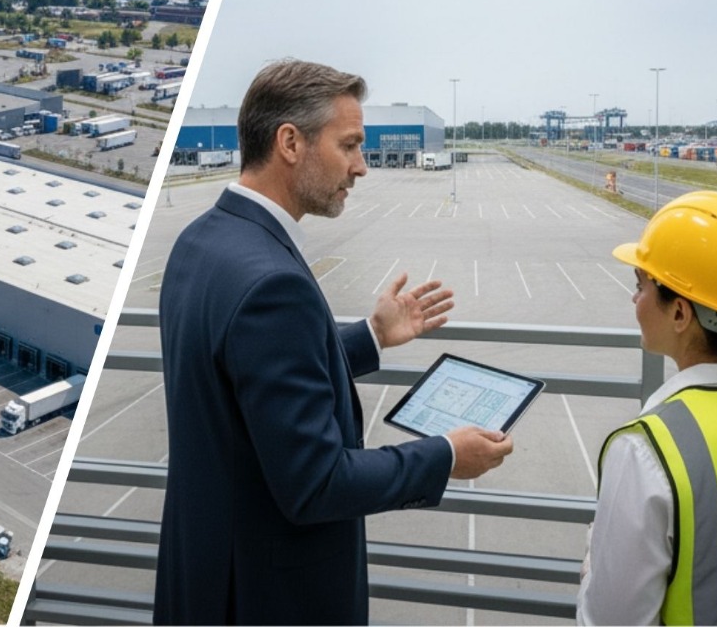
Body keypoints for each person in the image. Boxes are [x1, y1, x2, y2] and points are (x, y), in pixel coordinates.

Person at [154, 58, 516, 626]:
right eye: (349, 146)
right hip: (266, 599)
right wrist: (444, 456)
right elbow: (316, 483)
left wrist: (370, 337)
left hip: (200, 573)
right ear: (291, 143)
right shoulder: (272, 280)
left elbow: (250, 374)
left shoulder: (202, 242)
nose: (362, 167)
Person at [578, 190, 717, 625]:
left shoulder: (649, 452)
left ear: (680, 313)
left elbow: (609, 620)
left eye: (641, 285)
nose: (634, 301)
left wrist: (593, 560)